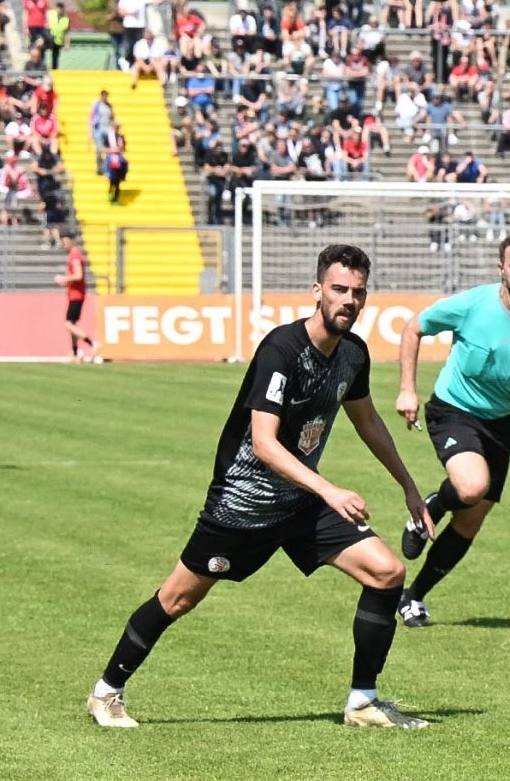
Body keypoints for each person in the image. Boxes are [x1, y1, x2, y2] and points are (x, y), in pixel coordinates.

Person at [86, 245, 431, 731]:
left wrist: (409, 487)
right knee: (178, 599)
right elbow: (264, 445)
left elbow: (368, 420)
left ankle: (362, 702)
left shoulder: (353, 354)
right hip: (243, 504)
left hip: (299, 502)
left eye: (357, 292)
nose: (348, 300)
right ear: (317, 291)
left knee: (386, 572)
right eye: (339, 289)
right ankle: (106, 692)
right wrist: (330, 491)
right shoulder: (281, 350)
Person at [389, 233, 510, 628]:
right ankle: (431, 507)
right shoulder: (472, 304)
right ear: (501, 269)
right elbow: (413, 328)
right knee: (470, 488)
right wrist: (407, 389)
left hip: (500, 422)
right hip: (453, 409)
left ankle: (413, 597)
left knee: (469, 521)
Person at [55, 232, 99, 363]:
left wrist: (64, 278)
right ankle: (75, 352)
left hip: (76, 295)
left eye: (65, 242)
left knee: (68, 325)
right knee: (72, 324)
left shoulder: (75, 256)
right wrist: (66, 282)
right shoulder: (74, 255)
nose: (64, 245)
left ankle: (92, 344)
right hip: (74, 294)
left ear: (71, 241)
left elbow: (78, 275)